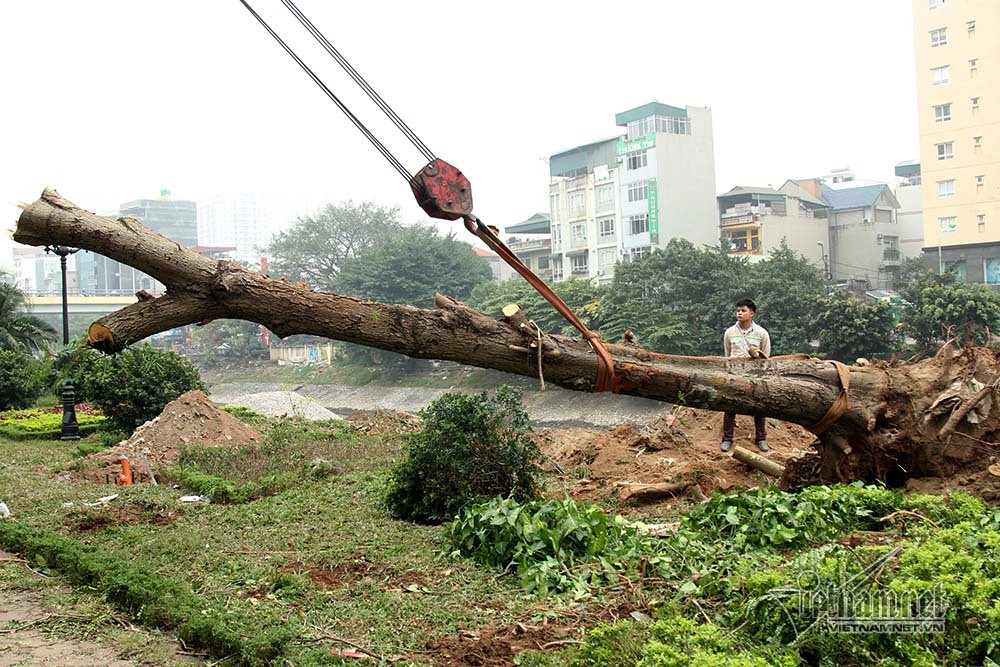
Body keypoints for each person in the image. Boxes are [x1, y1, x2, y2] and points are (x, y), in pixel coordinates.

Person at [721, 298, 771, 453]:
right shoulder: (730, 332)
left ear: (752, 313)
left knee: (758, 407)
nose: (739, 313)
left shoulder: (761, 333)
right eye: (738, 310)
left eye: (743, 310)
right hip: (735, 374)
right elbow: (727, 354)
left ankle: (761, 438)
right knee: (730, 406)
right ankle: (727, 439)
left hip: (755, 376)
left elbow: (766, 357)